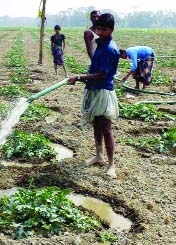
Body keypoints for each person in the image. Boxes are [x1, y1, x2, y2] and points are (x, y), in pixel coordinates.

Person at [68, 13, 119, 178]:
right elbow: (94, 67)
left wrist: (80, 77)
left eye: (103, 29)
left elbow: (102, 75)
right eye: (98, 28)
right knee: (96, 125)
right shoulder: (100, 44)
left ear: (111, 30)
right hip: (94, 89)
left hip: (103, 91)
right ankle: (99, 156)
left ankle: (111, 165)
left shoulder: (110, 49)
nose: (100, 32)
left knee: (106, 128)